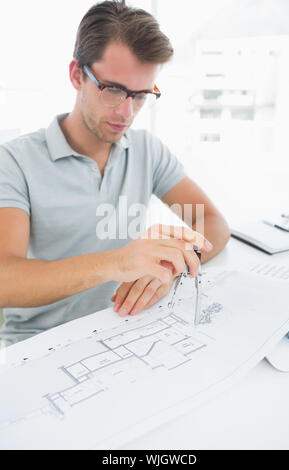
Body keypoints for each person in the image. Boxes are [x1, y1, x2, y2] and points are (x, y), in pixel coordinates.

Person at [0, 0, 230, 347]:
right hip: (40, 343)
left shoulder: (147, 151)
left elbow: (212, 223)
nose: (127, 112)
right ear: (77, 75)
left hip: (124, 328)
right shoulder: (14, 161)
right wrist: (115, 263)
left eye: (139, 95)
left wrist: (171, 268)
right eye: (114, 90)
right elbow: (5, 280)